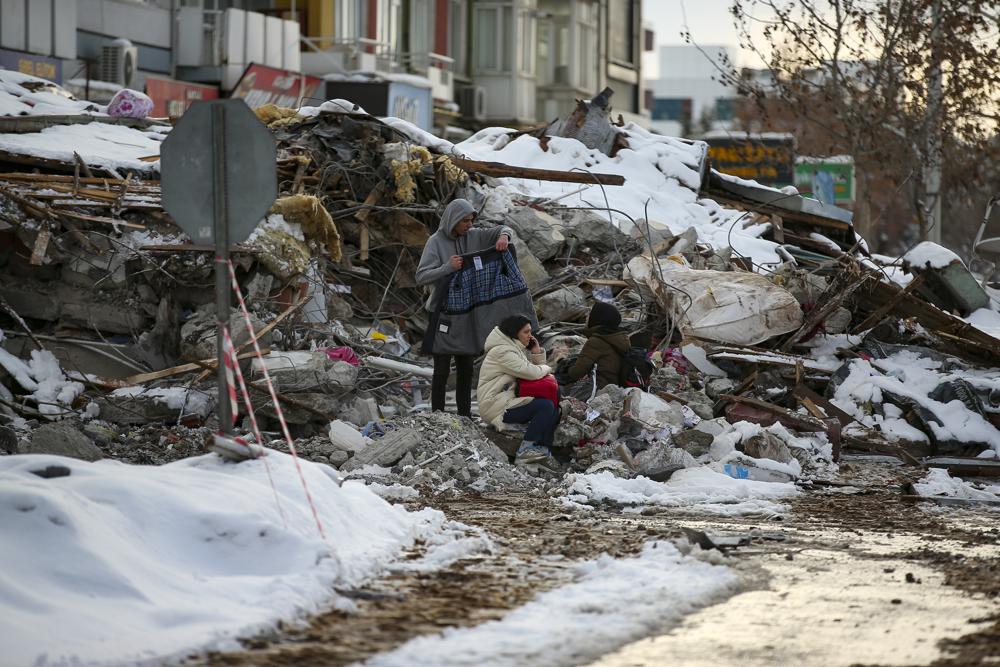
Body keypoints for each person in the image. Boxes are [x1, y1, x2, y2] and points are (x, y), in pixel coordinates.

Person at [416, 198, 513, 417]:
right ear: (453, 221)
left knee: (466, 367)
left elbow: (502, 229)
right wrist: (447, 267)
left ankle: (464, 416)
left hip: (468, 313)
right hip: (443, 312)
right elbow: (421, 276)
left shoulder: (473, 236)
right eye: (465, 221)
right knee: (441, 368)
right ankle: (438, 416)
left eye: (471, 220)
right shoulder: (435, 242)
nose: (469, 225)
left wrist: (504, 237)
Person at [477, 315, 561, 467]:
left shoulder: (513, 348)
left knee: (554, 401)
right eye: (526, 332)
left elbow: (534, 376)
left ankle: (542, 449)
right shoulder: (502, 352)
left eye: (530, 332)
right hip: (495, 406)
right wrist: (548, 368)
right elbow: (532, 373)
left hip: (506, 400)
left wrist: (536, 352)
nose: (530, 336)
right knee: (545, 406)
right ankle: (526, 450)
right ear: (514, 333)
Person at [561, 302, 630, 400]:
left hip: (597, 390)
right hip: (615, 388)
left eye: (590, 314)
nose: (587, 317)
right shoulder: (621, 338)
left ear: (598, 318)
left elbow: (576, 373)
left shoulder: (596, 341)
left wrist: (564, 366)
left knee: (556, 389)